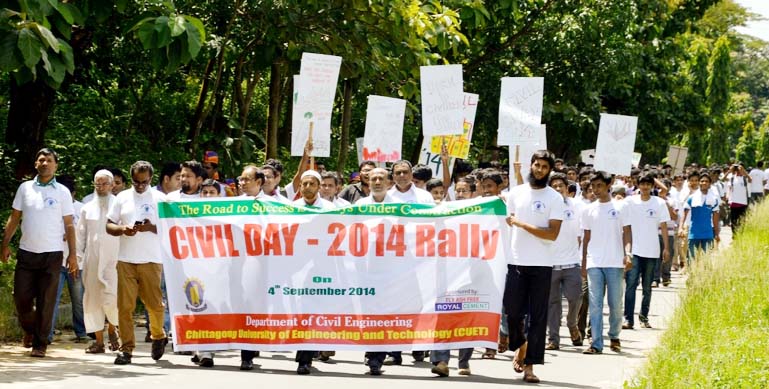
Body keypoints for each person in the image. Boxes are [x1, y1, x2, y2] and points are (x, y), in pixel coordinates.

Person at [1, 148, 76, 358]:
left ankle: (40, 344)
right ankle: (30, 330)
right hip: (27, 253)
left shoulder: (62, 192)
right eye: (41, 160)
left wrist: (72, 255)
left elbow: (69, 225)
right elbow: (15, 217)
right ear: (35, 164)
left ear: (55, 165)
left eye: (49, 160)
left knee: (46, 301)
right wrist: (4, 244)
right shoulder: (25, 188)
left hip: (52, 254)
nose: (44, 163)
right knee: (21, 298)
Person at [503, 150, 565, 384]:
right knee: (512, 312)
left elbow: (552, 234)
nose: (539, 170)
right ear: (530, 166)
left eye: (544, 167)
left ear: (550, 171)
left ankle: (530, 366)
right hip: (516, 261)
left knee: (538, 318)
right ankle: (521, 344)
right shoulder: (516, 194)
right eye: (536, 165)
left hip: (542, 264)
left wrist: (520, 223)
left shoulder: (554, 198)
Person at [106, 161, 168, 365]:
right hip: (126, 259)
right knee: (124, 307)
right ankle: (127, 349)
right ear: (130, 178)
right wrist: (123, 229)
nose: (140, 186)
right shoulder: (122, 197)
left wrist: (151, 228)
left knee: (154, 306)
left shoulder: (160, 198)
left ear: (151, 179)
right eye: (136, 182)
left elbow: (171, 229)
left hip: (151, 259)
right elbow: (109, 225)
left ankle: (158, 335)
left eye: (144, 182)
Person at [581, 171, 632, 356]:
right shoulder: (588, 209)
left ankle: (614, 335)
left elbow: (627, 232)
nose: (595, 190)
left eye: (599, 186)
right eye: (593, 186)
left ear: (608, 185)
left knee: (615, 304)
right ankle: (596, 343)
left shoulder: (620, 207)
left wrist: (628, 253)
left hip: (615, 262)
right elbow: (586, 238)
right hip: (594, 262)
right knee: (595, 304)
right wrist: (584, 262)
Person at [292, 170, 334, 375]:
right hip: (296, 268)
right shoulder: (291, 209)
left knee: (313, 313)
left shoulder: (330, 209)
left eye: (311, 184)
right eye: (304, 184)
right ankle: (303, 355)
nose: (307, 187)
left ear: (319, 186)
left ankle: (306, 356)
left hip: (321, 268)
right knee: (300, 312)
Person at [355, 167, 393, 375]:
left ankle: (376, 357)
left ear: (389, 183)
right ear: (368, 183)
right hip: (364, 269)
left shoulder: (399, 208)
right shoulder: (359, 207)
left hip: (390, 271)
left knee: (383, 313)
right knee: (368, 313)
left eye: (381, 178)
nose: (377, 182)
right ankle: (371, 350)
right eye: (373, 179)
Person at [78, 170, 120, 354]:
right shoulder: (87, 208)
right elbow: (80, 235)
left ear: (112, 186)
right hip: (92, 260)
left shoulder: (119, 206)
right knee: (92, 300)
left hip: (114, 259)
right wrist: (77, 259)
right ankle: (99, 341)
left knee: (112, 298)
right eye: (98, 184)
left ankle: (113, 329)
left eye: (105, 184)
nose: (101, 187)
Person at [622, 173, 670, 330]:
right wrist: (626, 250)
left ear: (652, 186)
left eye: (648, 184)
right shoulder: (630, 202)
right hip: (635, 250)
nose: (645, 187)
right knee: (630, 285)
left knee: (647, 287)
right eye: (642, 184)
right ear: (638, 185)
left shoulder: (660, 203)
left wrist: (666, 248)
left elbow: (663, 226)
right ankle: (628, 319)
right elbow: (626, 226)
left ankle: (644, 317)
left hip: (652, 250)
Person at [545, 173, 584, 350]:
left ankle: (572, 324)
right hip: (550, 264)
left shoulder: (577, 206)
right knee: (553, 303)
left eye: (561, 185)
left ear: (567, 189)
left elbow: (584, 233)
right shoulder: (545, 207)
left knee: (575, 297)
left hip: (572, 262)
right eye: (554, 186)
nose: (558, 189)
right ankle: (553, 338)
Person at [48, 175, 87, 344]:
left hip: (77, 261)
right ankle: (46, 335)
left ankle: (82, 332)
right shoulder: (52, 207)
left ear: (73, 193)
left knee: (78, 300)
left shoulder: (82, 209)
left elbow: (87, 234)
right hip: (55, 260)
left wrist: (72, 235)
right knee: (51, 299)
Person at [680, 172, 720, 261]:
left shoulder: (714, 200)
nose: (704, 183)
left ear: (710, 184)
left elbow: (715, 219)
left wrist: (716, 234)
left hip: (708, 233)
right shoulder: (692, 198)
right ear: (699, 183)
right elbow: (684, 214)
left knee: (706, 259)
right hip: (694, 233)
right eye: (702, 181)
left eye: (706, 181)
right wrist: (680, 228)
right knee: (691, 259)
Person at [726, 164, 750, 234]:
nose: (738, 171)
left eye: (740, 170)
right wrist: (730, 170)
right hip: (733, 203)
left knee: (742, 220)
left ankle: (740, 234)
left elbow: (750, 179)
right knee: (733, 220)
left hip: (743, 203)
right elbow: (723, 179)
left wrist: (744, 171)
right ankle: (734, 235)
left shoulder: (745, 178)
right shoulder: (732, 178)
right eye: (737, 170)